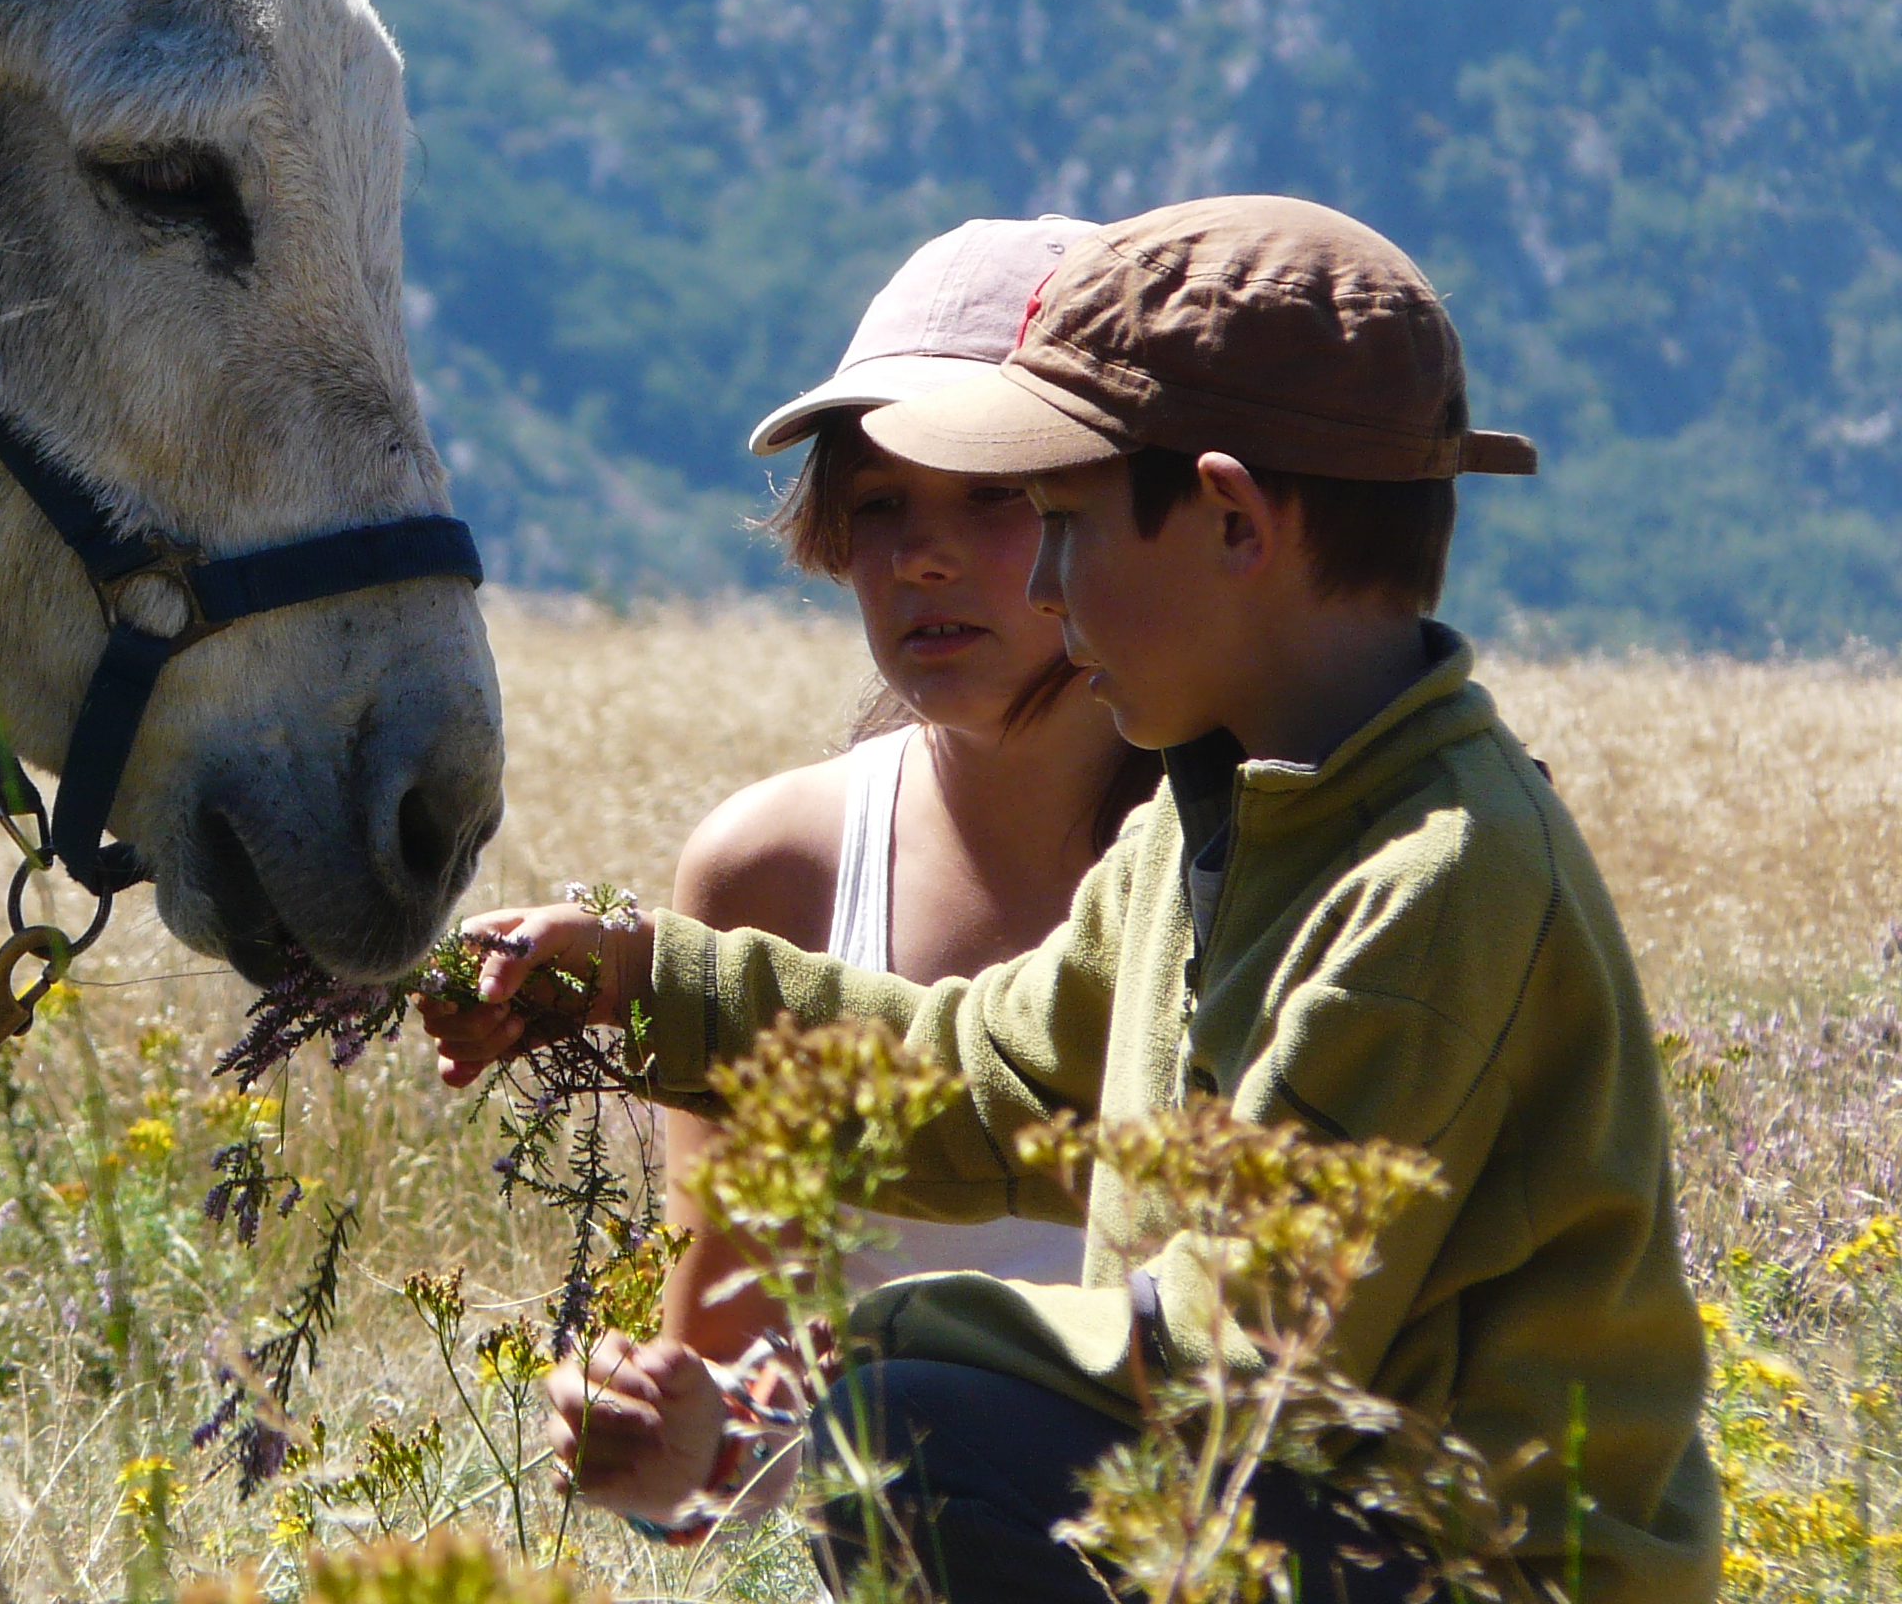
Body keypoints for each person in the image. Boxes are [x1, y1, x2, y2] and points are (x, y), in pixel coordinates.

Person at [423, 198, 1718, 1604]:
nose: (1040, 579)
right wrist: (646, 981)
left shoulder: (1432, 881)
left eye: (1060, 525)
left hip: (1477, 1569)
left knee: (916, 1438)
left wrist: (861, 1356)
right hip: (1294, 1521)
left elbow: (1247, 1353)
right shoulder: (1220, 819)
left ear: (1231, 521)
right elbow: (988, 1082)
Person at [661, 215, 1157, 1371]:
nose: (919, 558)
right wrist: (649, 1435)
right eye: (879, 502)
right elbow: (727, 1406)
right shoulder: (770, 870)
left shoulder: (1277, 854)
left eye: (992, 495)